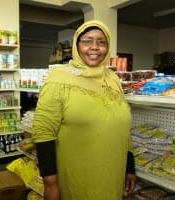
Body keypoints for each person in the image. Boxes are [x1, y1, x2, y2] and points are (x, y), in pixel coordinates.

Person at [32, 20, 136, 200]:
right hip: (79, 177)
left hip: (113, 173)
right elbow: (43, 133)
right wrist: (51, 184)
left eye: (101, 42)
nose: (94, 47)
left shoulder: (112, 78)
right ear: (77, 45)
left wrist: (129, 168)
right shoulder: (59, 79)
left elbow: (122, 127)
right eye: (87, 41)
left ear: (107, 47)